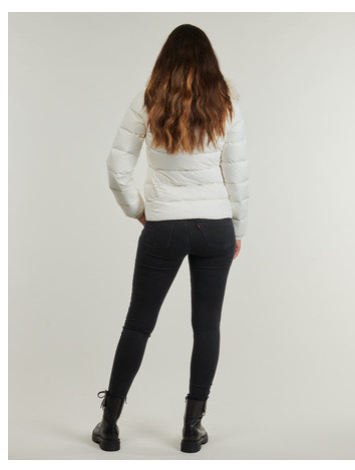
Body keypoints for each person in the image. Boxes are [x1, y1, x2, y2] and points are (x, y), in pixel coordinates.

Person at [92, 24, 249, 453]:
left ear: (165, 60)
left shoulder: (148, 100)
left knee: (138, 324)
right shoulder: (226, 103)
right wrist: (237, 228)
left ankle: (109, 424)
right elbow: (237, 175)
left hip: (164, 226)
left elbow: (117, 167)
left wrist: (138, 210)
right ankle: (191, 429)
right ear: (210, 61)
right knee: (207, 326)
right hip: (215, 227)